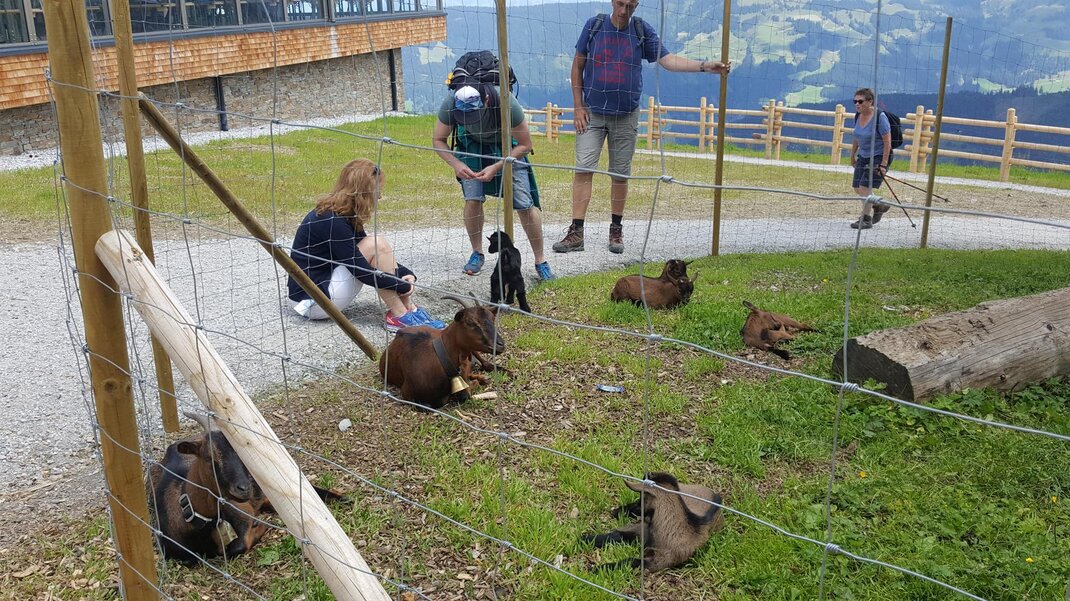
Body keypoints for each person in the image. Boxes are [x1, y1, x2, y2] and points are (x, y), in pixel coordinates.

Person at [553, 0, 730, 254]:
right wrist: (578, 106)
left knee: (620, 174)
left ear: (636, 5)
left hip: (626, 115)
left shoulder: (641, 30)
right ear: (613, 1)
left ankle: (616, 230)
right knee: (583, 169)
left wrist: (704, 66)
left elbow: (667, 60)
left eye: (631, 6)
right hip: (592, 113)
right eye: (621, 4)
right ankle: (576, 232)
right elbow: (577, 65)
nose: (624, 11)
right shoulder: (594, 26)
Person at [286, 158, 446, 332]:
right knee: (376, 244)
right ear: (363, 193)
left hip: (322, 290)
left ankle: (408, 310)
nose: (380, 196)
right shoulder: (331, 220)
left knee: (376, 245)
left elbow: (371, 259)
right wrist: (402, 285)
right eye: (377, 190)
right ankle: (400, 315)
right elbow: (361, 271)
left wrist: (405, 273)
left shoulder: (342, 213)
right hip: (312, 301)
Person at [432, 83, 555, 282]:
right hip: (471, 146)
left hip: (508, 148)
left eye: (475, 113)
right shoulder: (451, 102)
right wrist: (456, 163)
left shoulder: (506, 102)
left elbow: (525, 144)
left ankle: (541, 261)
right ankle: (477, 253)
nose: (470, 119)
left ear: (487, 100)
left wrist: (498, 166)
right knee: (472, 199)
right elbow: (438, 139)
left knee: (524, 204)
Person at [848, 87, 893, 230]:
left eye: (860, 101)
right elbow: (857, 136)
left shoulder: (880, 117)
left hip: (878, 156)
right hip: (863, 156)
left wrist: (883, 164)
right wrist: (852, 155)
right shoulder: (858, 116)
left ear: (870, 101)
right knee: (857, 188)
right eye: (855, 101)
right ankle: (879, 204)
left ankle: (866, 219)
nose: (857, 104)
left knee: (864, 188)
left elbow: (887, 142)